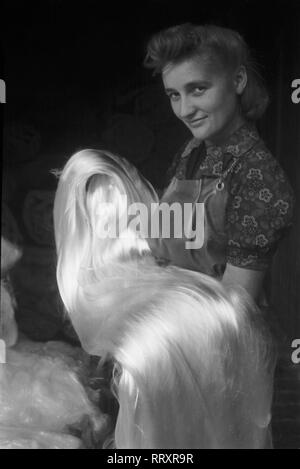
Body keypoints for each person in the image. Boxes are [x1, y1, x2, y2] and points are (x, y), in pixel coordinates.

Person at [144, 23, 295, 302]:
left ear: (238, 80)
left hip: (218, 338)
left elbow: (233, 309)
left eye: (198, 89)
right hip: (168, 318)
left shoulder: (259, 177)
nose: (184, 110)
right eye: (174, 95)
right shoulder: (191, 151)